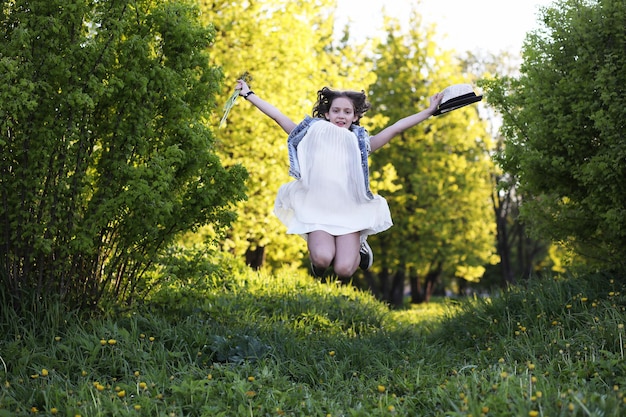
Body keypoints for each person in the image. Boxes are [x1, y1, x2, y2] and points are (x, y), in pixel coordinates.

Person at [235, 79, 443, 279]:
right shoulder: (310, 135)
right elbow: (279, 117)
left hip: (349, 212)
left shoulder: (360, 143)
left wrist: (428, 111)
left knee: (344, 270)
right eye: (336, 111)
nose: (341, 115)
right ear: (327, 114)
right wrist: (249, 94)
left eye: (347, 111)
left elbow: (396, 128)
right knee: (323, 259)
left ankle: (360, 245)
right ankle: (318, 261)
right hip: (317, 210)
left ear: (355, 116)